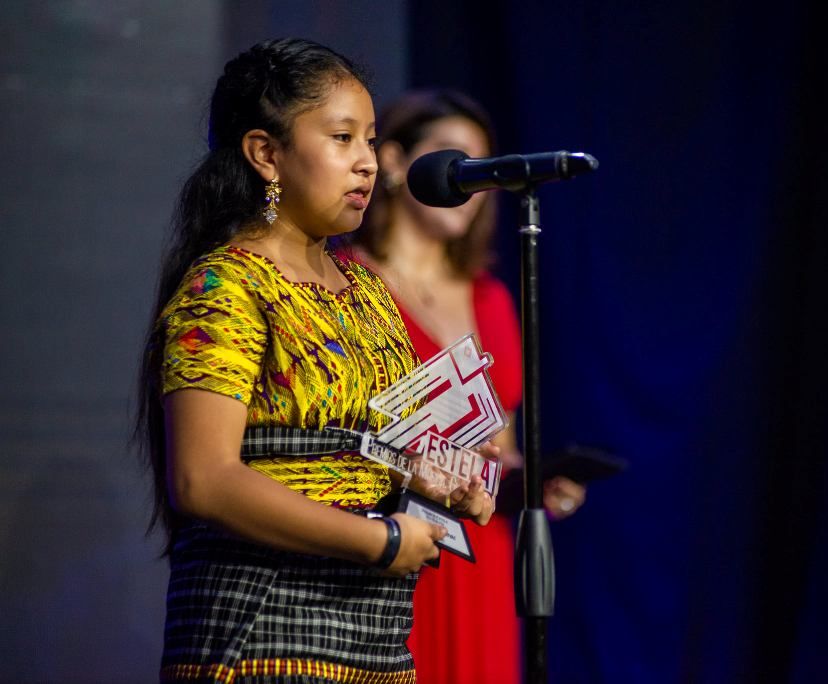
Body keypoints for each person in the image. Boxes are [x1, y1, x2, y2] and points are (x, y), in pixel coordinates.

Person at [136, 40, 494, 684]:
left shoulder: (368, 294)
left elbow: (381, 452)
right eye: (341, 138)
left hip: (376, 640)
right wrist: (378, 541)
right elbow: (203, 480)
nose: (366, 163)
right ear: (265, 154)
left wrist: (437, 482)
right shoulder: (227, 286)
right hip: (263, 634)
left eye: (371, 139)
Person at [349, 89, 586, 684]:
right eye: (457, 162)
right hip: (393, 549)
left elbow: (497, 446)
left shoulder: (493, 297)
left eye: (483, 167)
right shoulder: (346, 281)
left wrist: (533, 481)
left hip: (477, 553)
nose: (471, 182)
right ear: (399, 162)